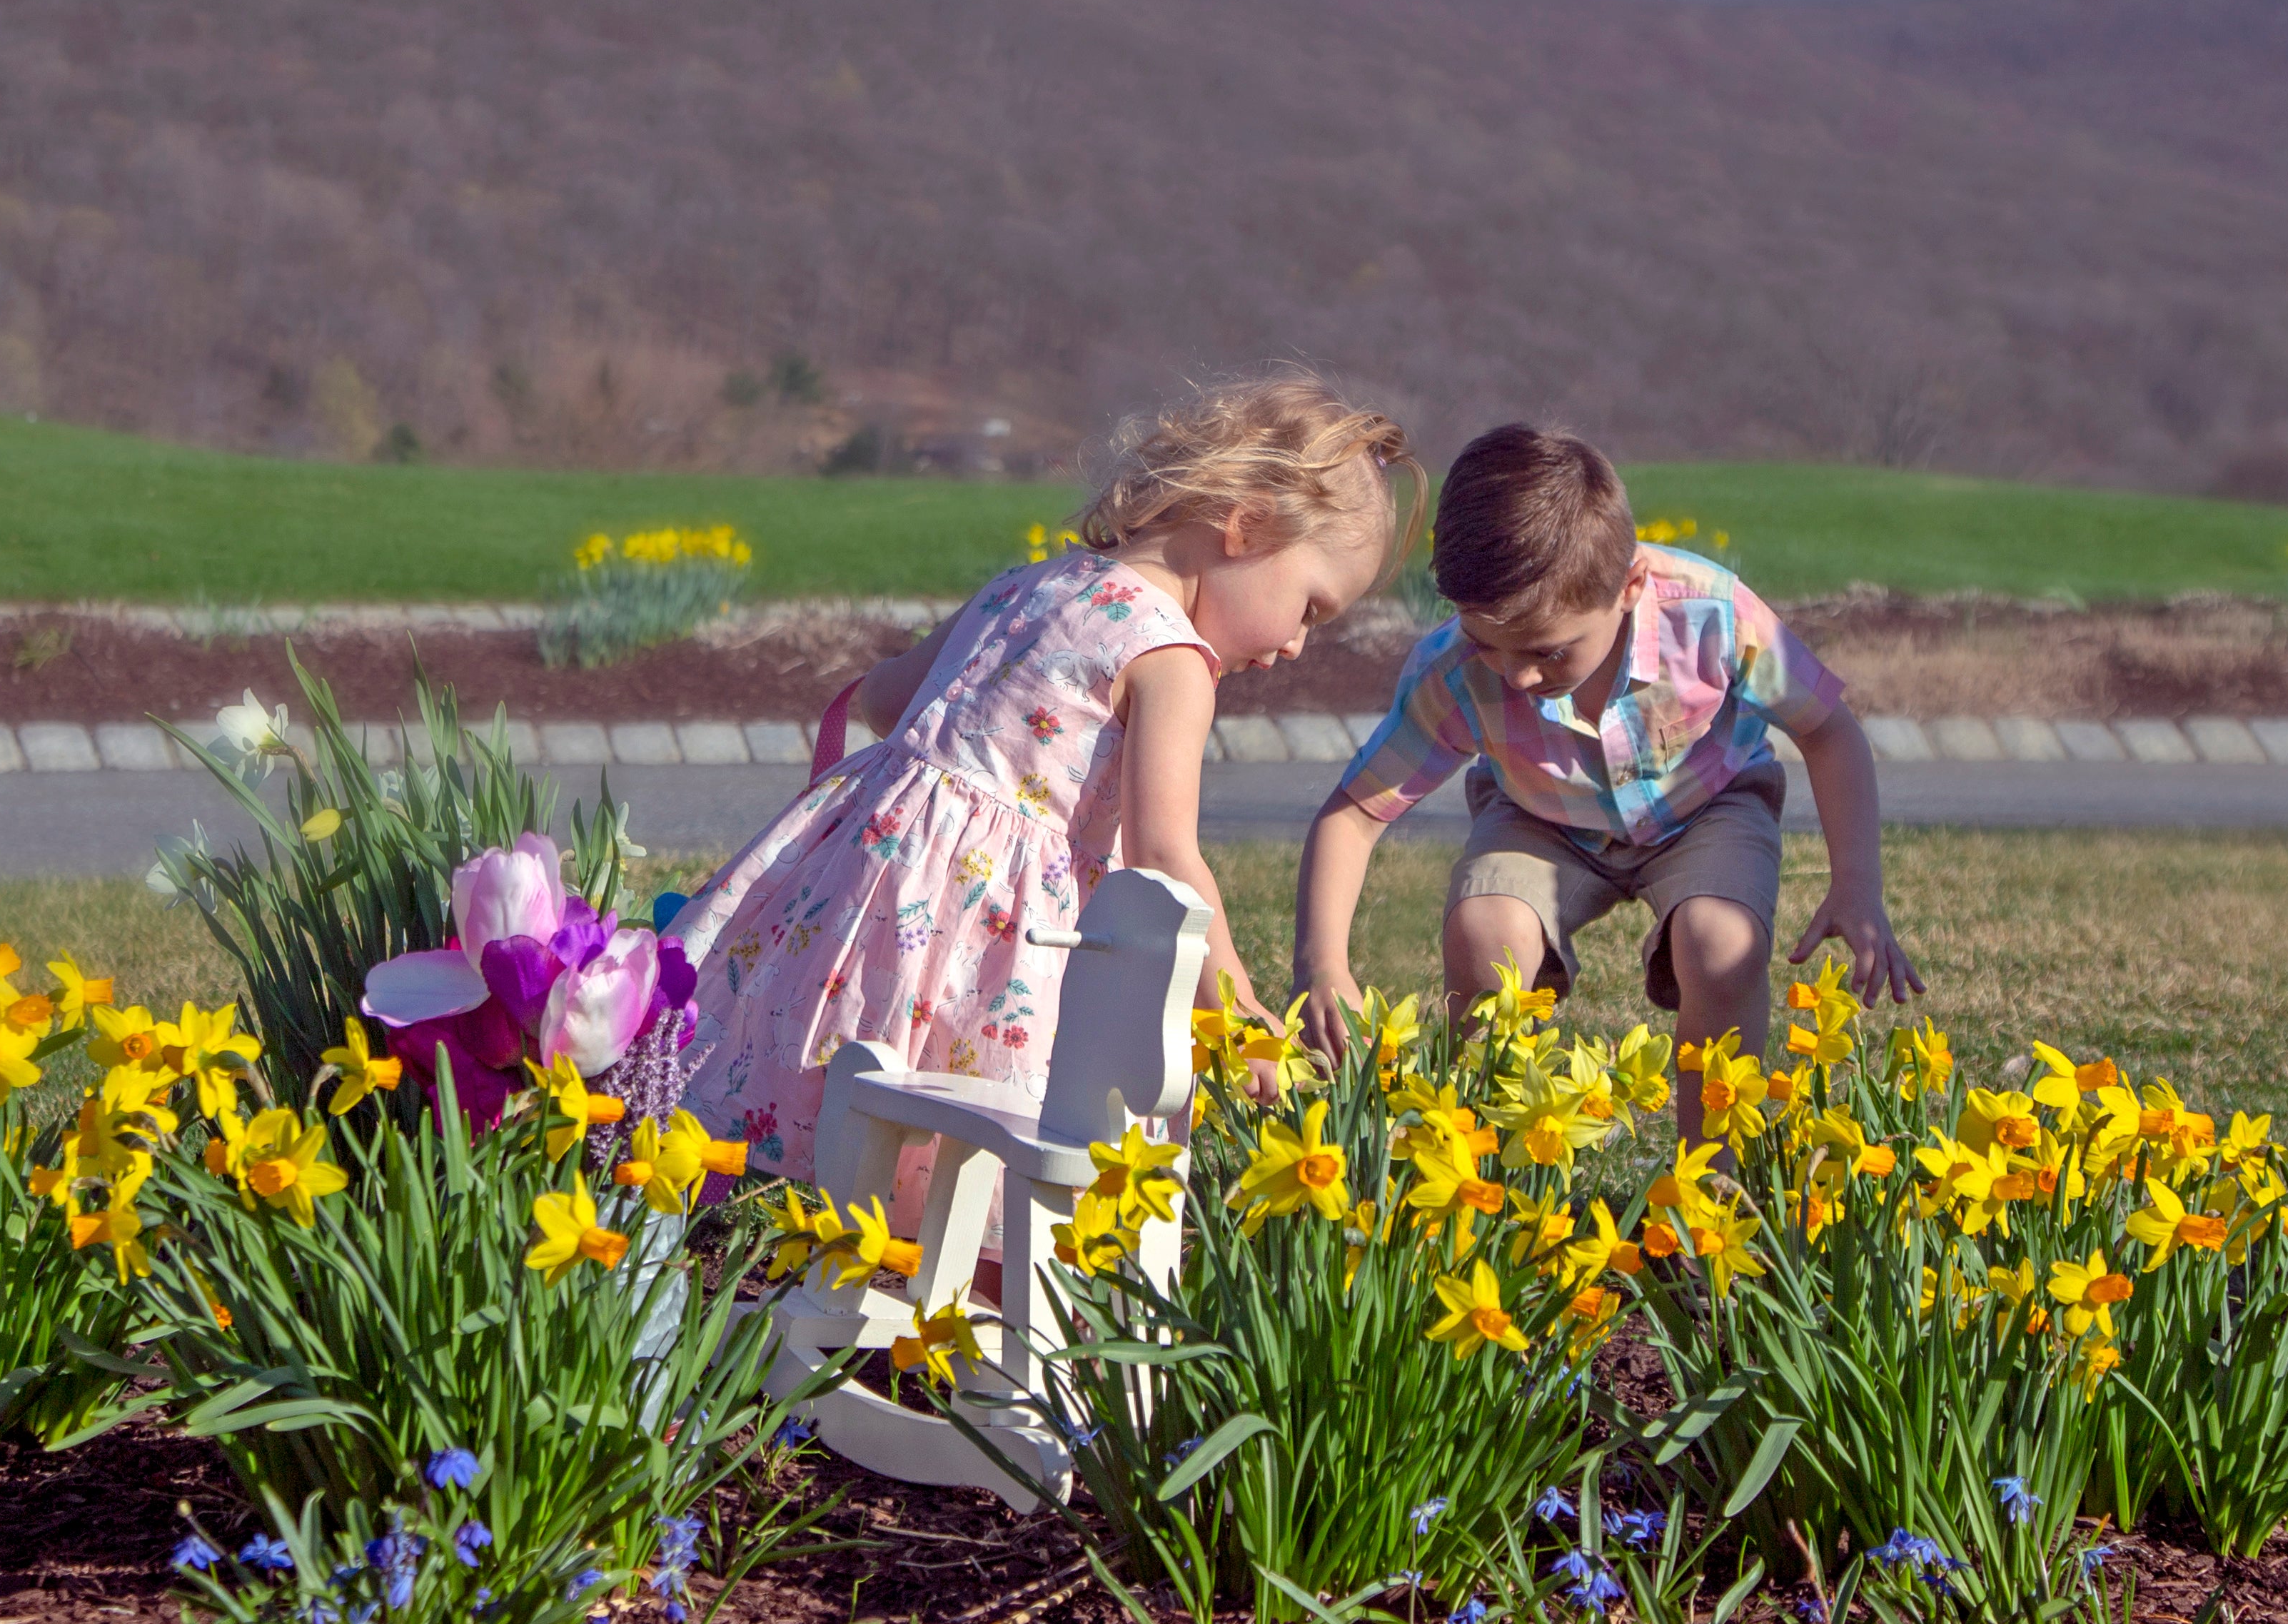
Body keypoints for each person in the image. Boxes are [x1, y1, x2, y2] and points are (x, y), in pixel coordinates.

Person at [662, 376, 1422, 1183]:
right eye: (1310, 608)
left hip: (869, 880)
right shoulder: (1171, 661)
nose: (1299, 646)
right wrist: (1235, 1008)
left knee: (826, 1075)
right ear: (1246, 526)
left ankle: (766, 1232)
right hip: (999, 930)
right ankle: (965, 1285)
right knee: (980, 1152)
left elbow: (886, 700)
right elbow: (1167, 857)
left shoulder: (1030, 582)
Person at [1292, 424, 1919, 1132]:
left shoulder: (1711, 615)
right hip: (1538, 815)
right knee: (1482, 932)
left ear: (1630, 586)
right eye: (1484, 643)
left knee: (1721, 944)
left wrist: (1856, 886)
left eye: (1547, 652)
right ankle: (1482, 1157)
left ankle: (1705, 1185)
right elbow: (1354, 812)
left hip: (1706, 806)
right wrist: (1320, 966)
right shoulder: (1455, 668)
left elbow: (1827, 730)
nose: (1515, 674)